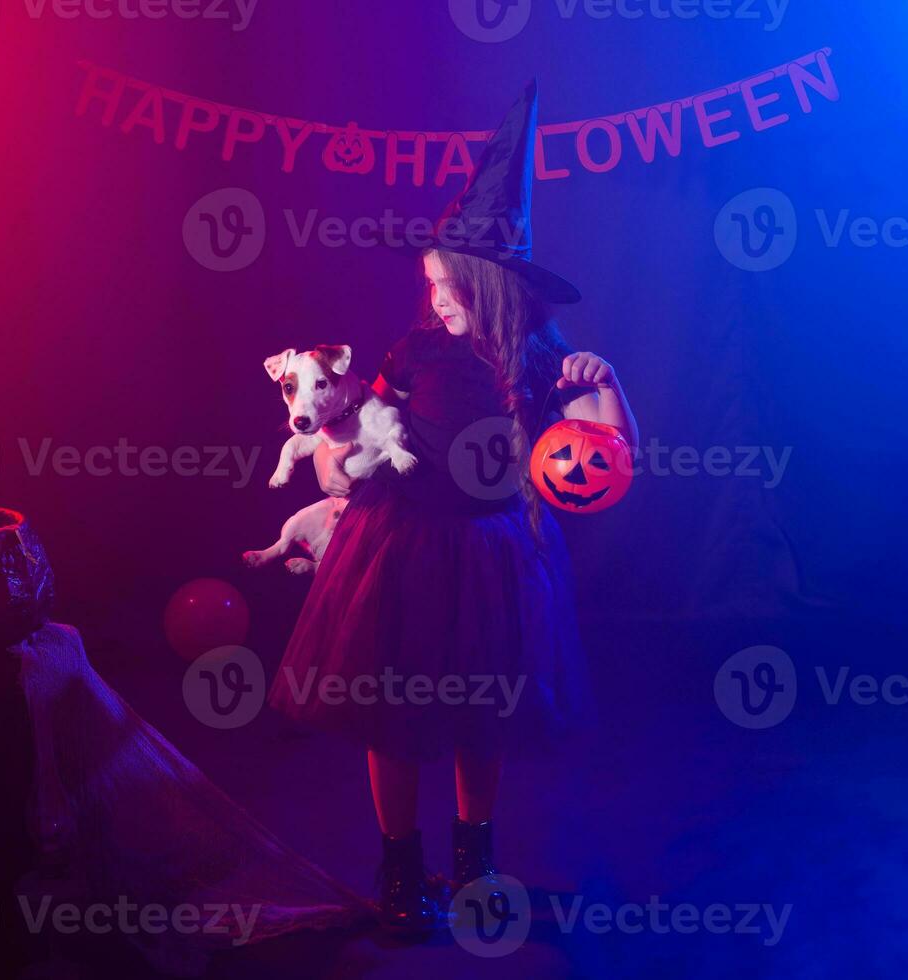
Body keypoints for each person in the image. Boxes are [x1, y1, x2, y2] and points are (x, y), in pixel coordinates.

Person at [268, 81, 639, 938]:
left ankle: (474, 859)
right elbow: (358, 423)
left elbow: (611, 461)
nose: (436, 298)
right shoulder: (416, 350)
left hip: (494, 555)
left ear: (493, 286)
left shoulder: (545, 359)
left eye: (450, 286)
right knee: (392, 715)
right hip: (398, 545)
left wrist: (608, 387)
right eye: (430, 282)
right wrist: (331, 449)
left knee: (484, 710)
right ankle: (402, 872)